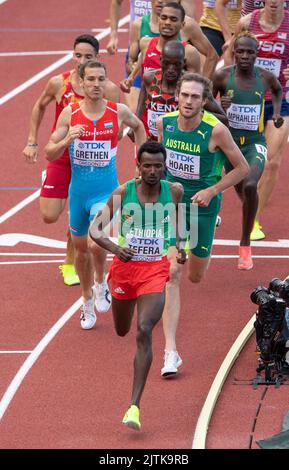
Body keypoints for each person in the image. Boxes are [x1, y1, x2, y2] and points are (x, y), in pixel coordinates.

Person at [156, 72, 249, 376]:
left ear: (204, 101)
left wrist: (212, 191)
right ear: (177, 96)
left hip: (204, 207)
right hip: (173, 205)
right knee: (172, 273)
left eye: (195, 97)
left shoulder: (216, 131)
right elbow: (158, 163)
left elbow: (242, 168)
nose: (188, 101)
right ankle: (170, 352)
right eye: (184, 95)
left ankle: (207, 230)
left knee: (196, 275)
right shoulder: (164, 124)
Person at [89, 141, 185, 430]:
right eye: (147, 166)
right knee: (121, 330)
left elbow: (179, 223)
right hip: (124, 270)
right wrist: (115, 250)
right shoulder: (123, 193)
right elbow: (95, 229)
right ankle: (109, 291)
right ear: (138, 167)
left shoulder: (175, 191)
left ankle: (134, 406)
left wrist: (179, 248)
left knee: (144, 328)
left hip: (154, 271)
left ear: (164, 166)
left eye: (158, 165)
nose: (153, 171)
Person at [45, 60, 146, 329]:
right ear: (82, 81)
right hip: (79, 192)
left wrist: (142, 162)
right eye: (90, 79)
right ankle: (87, 300)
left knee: (94, 241)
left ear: (106, 81)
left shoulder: (118, 111)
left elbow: (138, 126)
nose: (96, 84)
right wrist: (67, 140)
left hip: (106, 190)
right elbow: (49, 152)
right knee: (80, 251)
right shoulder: (70, 113)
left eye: (101, 79)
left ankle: (101, 283)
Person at [23, 34, 120, 286]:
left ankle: (69, 263)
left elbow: (119, 120)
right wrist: (33, 141)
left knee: (77, 215)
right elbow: (38, 106)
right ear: (72, 55)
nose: (81, 60)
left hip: (90, 164)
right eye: (78, 55)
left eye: (88, 56)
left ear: (97, 59)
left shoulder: (107, 88)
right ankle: (59, 191)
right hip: (62, 156)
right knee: (48, 216)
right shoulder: (59, 83)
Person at [213, 31, 283, 270]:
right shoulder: (222, 77)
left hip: (254, 143)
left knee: (251, 185)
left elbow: (277, 90)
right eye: (240, 51)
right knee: (243, 191)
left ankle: (244, 245)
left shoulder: (264, 77)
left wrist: (274, 112)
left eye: (249, 52)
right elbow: (207, 104)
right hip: (229, 145)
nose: (244, 56)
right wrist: (220, 108)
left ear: (256, 53)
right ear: (234, 53)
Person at [233, 0, 289, 240]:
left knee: (273, 161)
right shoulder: (247, 22)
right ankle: (245, 197)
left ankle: (254, 219)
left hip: (281, 99)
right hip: (249, 100)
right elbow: (231, 55)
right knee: (243, 161)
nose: (274, 2)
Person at [137, 40, 227, 140]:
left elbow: (223, 119)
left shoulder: (194, 86)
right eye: (167, 63)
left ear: (183, 63)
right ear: (161, 60)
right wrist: (136, 122)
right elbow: (143, 94)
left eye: (176, 64)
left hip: (181, 145)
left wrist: (197, 113)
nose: (171, 69)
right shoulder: (149, 77)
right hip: (154, 144)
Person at [127, 0, 218, 81]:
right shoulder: (141, 30)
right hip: (147, 85)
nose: (160, 1)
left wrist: (205, 88)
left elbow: (212, 55)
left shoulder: (188, 27)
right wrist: (133, 72)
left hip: (177, 93)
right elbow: (131, 62)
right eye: (164, 18)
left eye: (173, 19)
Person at [120, 2, 201, 93]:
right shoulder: (145, 43)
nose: (167, 23)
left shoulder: (189, 52)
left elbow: (195, 87)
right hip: (149, 104)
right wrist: (130, 79)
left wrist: (158, 75)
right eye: (164, 18)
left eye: (173, 19)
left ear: (182, 24)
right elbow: (141, 62)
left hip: (175, 105)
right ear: (159, 21)